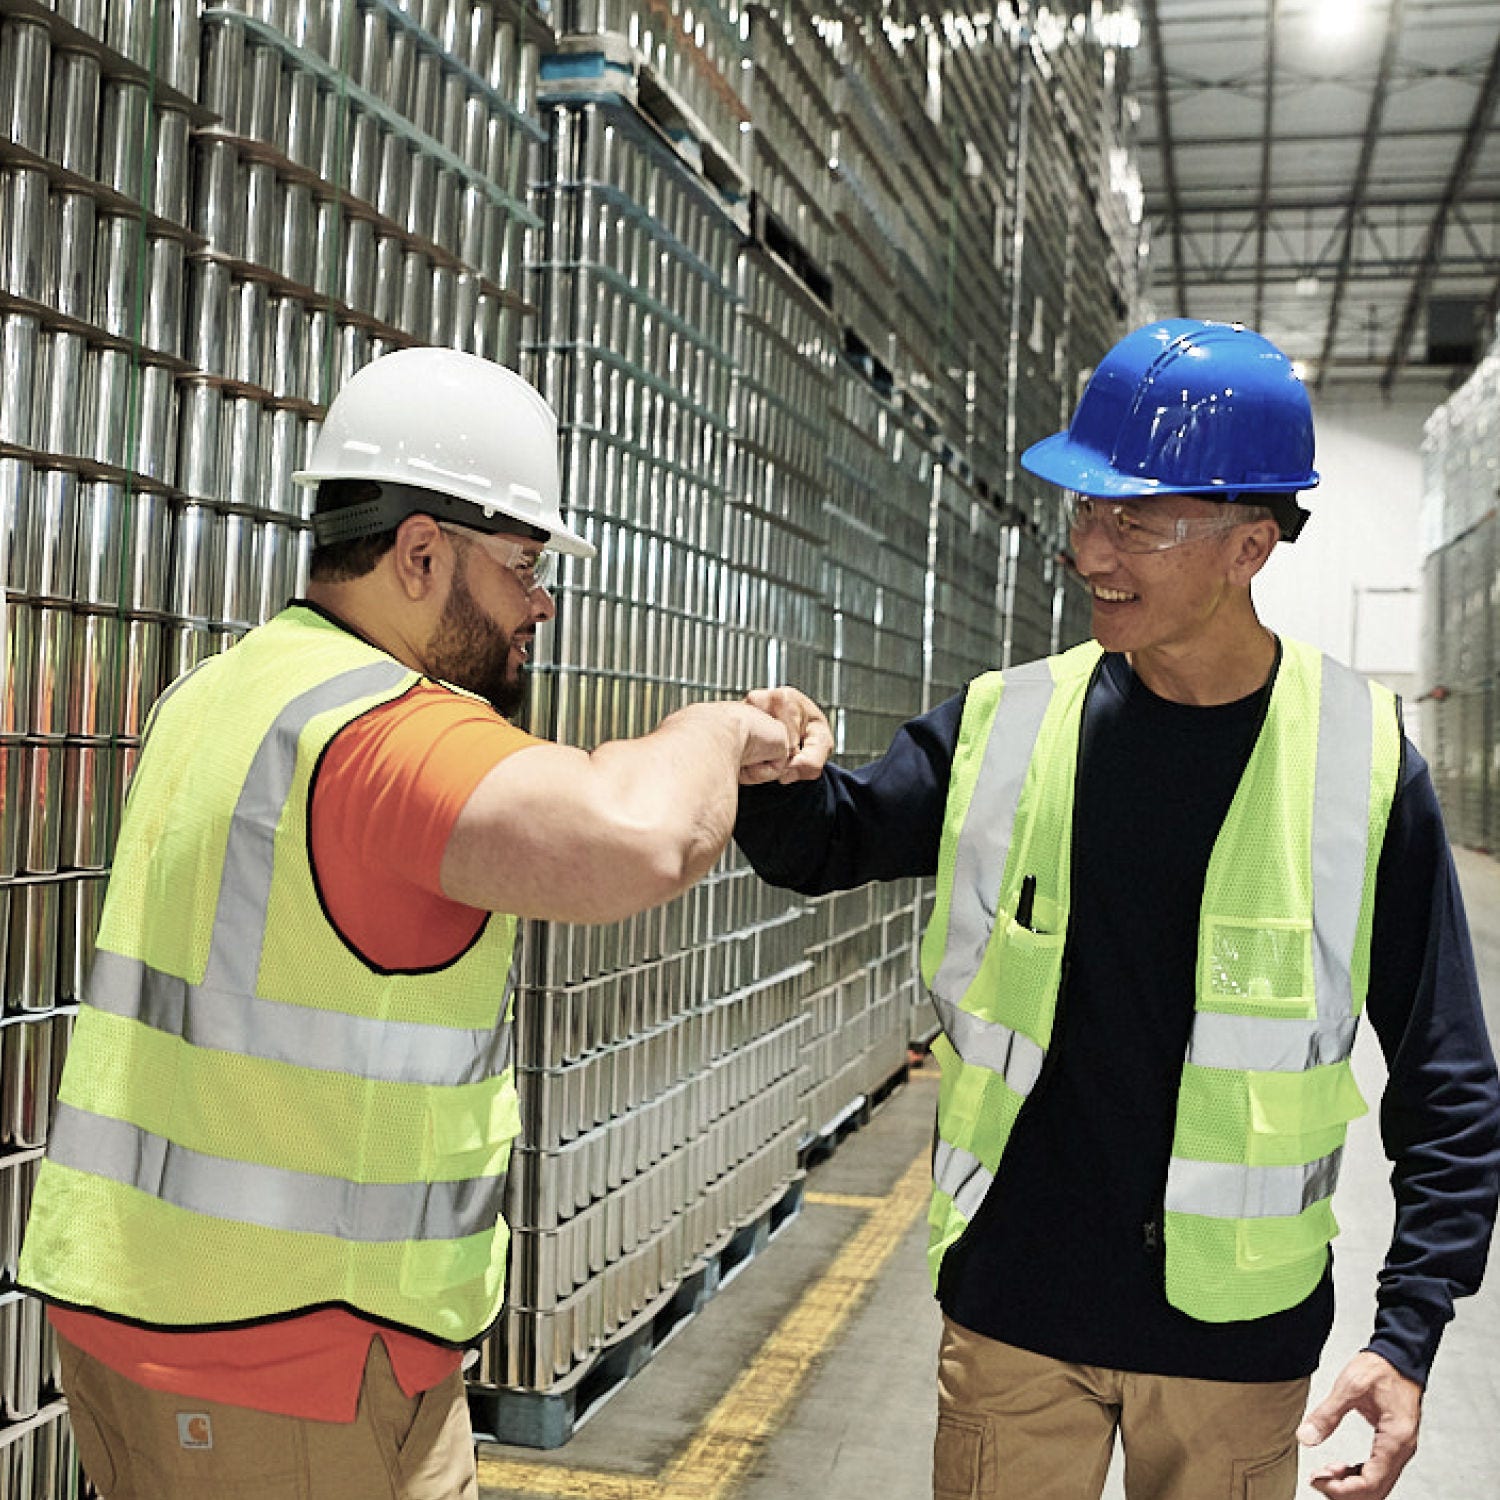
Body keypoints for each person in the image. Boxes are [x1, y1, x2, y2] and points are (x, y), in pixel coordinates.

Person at [734, 319, 1500, 1500]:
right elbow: (829, 838)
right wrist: (772, 766)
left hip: (1232, 1346)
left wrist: (1409, 1333)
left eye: (1134, 520)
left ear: (1250, 545)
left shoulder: (1360, 765)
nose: (1092, 548)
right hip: (1015, 1315)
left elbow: (1448, 1074)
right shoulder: (1009, 723)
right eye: (1086, 512)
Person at [19, 347, 795, 1500]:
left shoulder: (227, 691)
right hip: (276, 1357)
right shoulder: (382, 732)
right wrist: (722, 730)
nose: (540, 604)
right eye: (525, 565)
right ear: (422, 552)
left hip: (208, 1324)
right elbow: (638, 840)